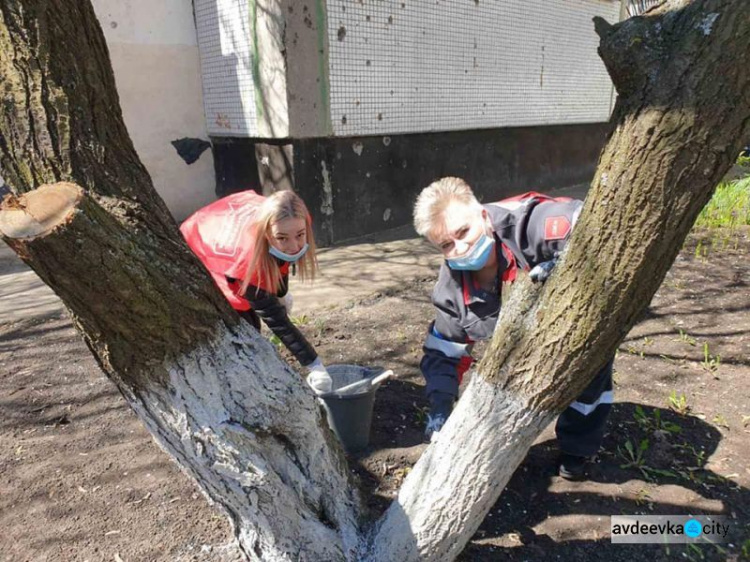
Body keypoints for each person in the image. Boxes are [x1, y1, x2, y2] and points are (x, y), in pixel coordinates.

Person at [413, 177, 614, 480]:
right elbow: (444, 350)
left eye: (463, 232)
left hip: (578, 320)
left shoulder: (534, 223)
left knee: (589, 377)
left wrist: (566, 266)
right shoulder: (451, 289)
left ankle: (579, 448)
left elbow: (600, 226)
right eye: (446, 244)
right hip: (518, 336)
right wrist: (440, 406)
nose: (460, 247)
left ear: (483, 214)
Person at [180, 189, 333, 393]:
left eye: (299, 235)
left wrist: (281, 293)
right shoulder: (248, 262)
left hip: (226, 219)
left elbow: (280, 263)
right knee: (246, 330)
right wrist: (314, 365)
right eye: (282, 238)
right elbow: (277, 322)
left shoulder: (292, 218)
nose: (295, 246)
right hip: (198, 240)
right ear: (266, 234)